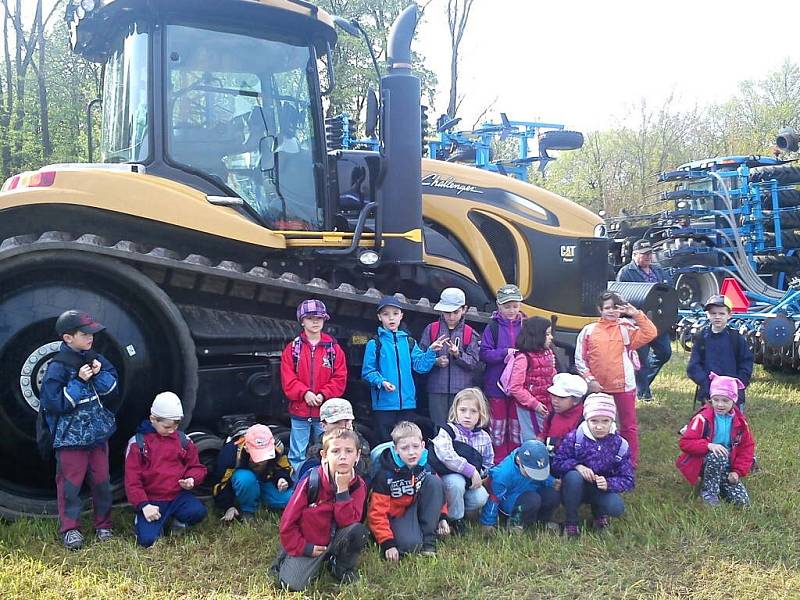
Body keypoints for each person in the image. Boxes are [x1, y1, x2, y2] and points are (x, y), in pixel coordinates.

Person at [40, 310, 119, 550]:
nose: (91, 338)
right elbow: (54, 403)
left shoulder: (94, 357)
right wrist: (79, 382)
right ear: (68, 338)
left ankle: (103, 525)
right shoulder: (57, 367)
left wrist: (97, 374)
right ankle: (70, 529)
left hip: (97, 435)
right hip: (70, 438)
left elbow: (113, 385)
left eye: (92, 333)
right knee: (70, 486)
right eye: (85, 334)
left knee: (102, 482)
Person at [273, 428, 370, 591]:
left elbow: (349, 522)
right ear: (324, 455)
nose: (343, 456)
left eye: (349, 451)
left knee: (358, 531)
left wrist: (343, 491)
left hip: (336, 536)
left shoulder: (359, 485)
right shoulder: (311, 481)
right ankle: (285, 557)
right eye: (335, 451)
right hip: (311, 541)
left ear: (358, 455)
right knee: (290, 586)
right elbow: (287, 523)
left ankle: (340, 566)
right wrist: (304, 547)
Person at [574, 291, 657, 466]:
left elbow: (650, 333)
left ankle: (629, 461)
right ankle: (597, 458)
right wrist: (590, 380)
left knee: (628, 425)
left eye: (615, 308)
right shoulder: (589, 331)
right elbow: (580, 360)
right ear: (599, 309)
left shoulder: (625, 328)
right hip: (599, 388)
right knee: (597, 424)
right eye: (607, 308)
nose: (611, 311)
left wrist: (636, 313)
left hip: (624, 386)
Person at [124, 392, 208, 548]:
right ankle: (144, 520)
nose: (172, 430)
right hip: (152, 500)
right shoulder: (137, 444)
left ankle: (180, 521)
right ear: (153, 419)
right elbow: (132, 481)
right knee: (148, 541)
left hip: (177, 496)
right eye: (167, 426)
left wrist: (192, 479)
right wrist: (144, 505)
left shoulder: (183, 440)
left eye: (176, 426)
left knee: (198, 511)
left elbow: (196, 467)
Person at [361, 296, 445, 442]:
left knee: (406, 441)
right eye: (386, 314)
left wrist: (431, 351)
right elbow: (368, 372)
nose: (391, 318)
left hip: (407, 403)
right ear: (380, 317)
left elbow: (421, 367)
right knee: (385, 443)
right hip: (384, 405)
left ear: (401, 316)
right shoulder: (374, 343)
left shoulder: (409, 342)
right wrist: (382, 382)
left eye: (395, 313)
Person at [552, 393, 635, 538]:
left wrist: (609, 483)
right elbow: (557, 462)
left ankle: (599, 514)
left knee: (616, 507)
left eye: (605, 421)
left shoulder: (620, 444)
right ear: (586, 419)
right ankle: (571, 521)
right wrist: (577, 466)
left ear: (612, 421)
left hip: (599, 488)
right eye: (594, 420)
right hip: (573, 487)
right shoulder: (574, 437)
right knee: (573, 477)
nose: (599, 426)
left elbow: (628, 479)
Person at [281, 299, 348, 478]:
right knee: (297, 455)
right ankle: (298, 490)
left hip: (325, 415)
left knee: (327, 452)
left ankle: (325, 487)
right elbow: (288, 379)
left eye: (319, 318)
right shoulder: (292, 349)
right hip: (300, 411)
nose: (315, 322)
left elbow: (340, 378)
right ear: (302, 321)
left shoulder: (333, 349)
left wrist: (323, 394)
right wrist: (305, 393)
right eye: (310, 318)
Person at [368, 421, 449, 559]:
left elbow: (439, 495)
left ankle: (429, 540)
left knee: (434, 482)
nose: (411, 452)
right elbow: (377, 512)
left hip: (419, 508)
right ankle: (412, 535)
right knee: (410, 546)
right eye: (405, 448)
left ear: (423, 446)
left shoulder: (426, 466)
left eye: (416, 446)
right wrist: (387, 542)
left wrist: (442, 517)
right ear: (396, 449)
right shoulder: (385, 475)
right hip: (397, 515)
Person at [676, 373, 755, 507]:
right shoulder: (702, 418)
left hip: (728, 466)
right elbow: (685, 442)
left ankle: (721, 483)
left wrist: (737, 471)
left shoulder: (741, 423)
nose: (720, 404)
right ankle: (709, 491)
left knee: (742, 502)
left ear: (734, 400)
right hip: (705, 461)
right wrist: (708, 446)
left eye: (725, 400)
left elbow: (747, 448)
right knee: (717, 456)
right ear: (711, 399)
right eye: (716, 399)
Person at [429, 387, 494, 534]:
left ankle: (460, 508)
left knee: (481, 496)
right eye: (463, 410)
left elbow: (488, 463)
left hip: (469, 484)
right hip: (446, 480)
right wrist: (470, 471)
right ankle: (454, 519)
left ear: (481, 414)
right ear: (455, 410)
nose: (467, 415)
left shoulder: (484, 437)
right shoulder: (447, 431)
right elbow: (446, 455)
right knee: (456, 482)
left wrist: (482, 477)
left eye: (473, 411)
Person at [615, 239, 674, 400]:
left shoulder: (658, 270)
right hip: (637, 323)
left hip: (658, 321)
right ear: (634, 255)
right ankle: (644, 394)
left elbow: (669, 289)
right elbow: (622, 297)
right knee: (641, 359)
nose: (648, 256)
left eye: (650, 253)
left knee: (665, 353)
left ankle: (642, 383)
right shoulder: (626, 272)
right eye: (644, 253)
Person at [420, 287, 481, 426]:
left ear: (464, 309)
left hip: (462, 392)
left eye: (456, 312)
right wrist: (435, 361)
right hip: (436, 389)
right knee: (439, 428)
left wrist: (457, 355)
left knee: (461, 429)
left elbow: (474, 363)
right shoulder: (431, 329)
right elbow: (419, 360)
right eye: (448, 312)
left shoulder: (470, 333)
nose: (452, 316)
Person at [480, 284, 526, 462]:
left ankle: (515, 460)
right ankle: (498, 462)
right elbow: (484, 353)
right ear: (499, 306)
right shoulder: (492, 327)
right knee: (497, 427)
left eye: (515, 306)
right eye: (507, 306)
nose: (511, 310)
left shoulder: (525, 325)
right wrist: (504, 353)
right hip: (496, 385)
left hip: (519, 386)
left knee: (516, 426)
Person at [212, 424, 293, 523]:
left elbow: (285, 467)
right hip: (245, 481)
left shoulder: (278, 448)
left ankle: (258, 498)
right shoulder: (230, 452)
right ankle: (248, 510)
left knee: (289, 499)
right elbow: (220, 483)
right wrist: (228, 506)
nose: (262, 460)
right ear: (246, 448)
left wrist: (282, 478)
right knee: (245, 478)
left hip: (266, 480)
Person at [687, 294, 753, 408]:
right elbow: (693, 366)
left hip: (733, 395)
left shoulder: (736, 338)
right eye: (713, 313)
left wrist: (737, 384)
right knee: (709, 423)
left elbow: (746, 363)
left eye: (721, 313)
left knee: (733, 424)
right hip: (709, 394)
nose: (717, 317)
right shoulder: (702, 337)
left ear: (729, 315)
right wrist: (707, 384)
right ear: (707, 315)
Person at [479, 439, 559, 533]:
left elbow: (543, 478)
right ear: (518, 461)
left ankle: (542, 521)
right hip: (511, 502)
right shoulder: (503, 474)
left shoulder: (532, 461)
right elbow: (494, 499)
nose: (533, 475)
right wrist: (488, 523)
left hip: (530, 493)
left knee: (553, 495)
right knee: (533, 498)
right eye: (530, 472)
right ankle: (514, 523)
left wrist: (553, 482)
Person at [296, 398, 372, 483]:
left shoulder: (361, 443)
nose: (343, 426)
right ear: (323, 426)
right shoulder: (316, 448)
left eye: (347, 421)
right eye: (336, 422)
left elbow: (363, 470)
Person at [507, 316, 557, 442]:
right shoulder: (524, 358)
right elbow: (516, 387)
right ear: (537, 336)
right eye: (547, 334)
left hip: (547, 407)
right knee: (532, 439)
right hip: (530, 409)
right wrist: (535, 404)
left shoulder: (548, 353)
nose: (551, 337)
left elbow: (552, 376)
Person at [539, 373, 588, 453]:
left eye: (561, 398)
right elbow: (545, 430)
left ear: (575, 400)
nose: (555, 401)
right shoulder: (553, 413)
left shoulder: (582, 420)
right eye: (553, 395)